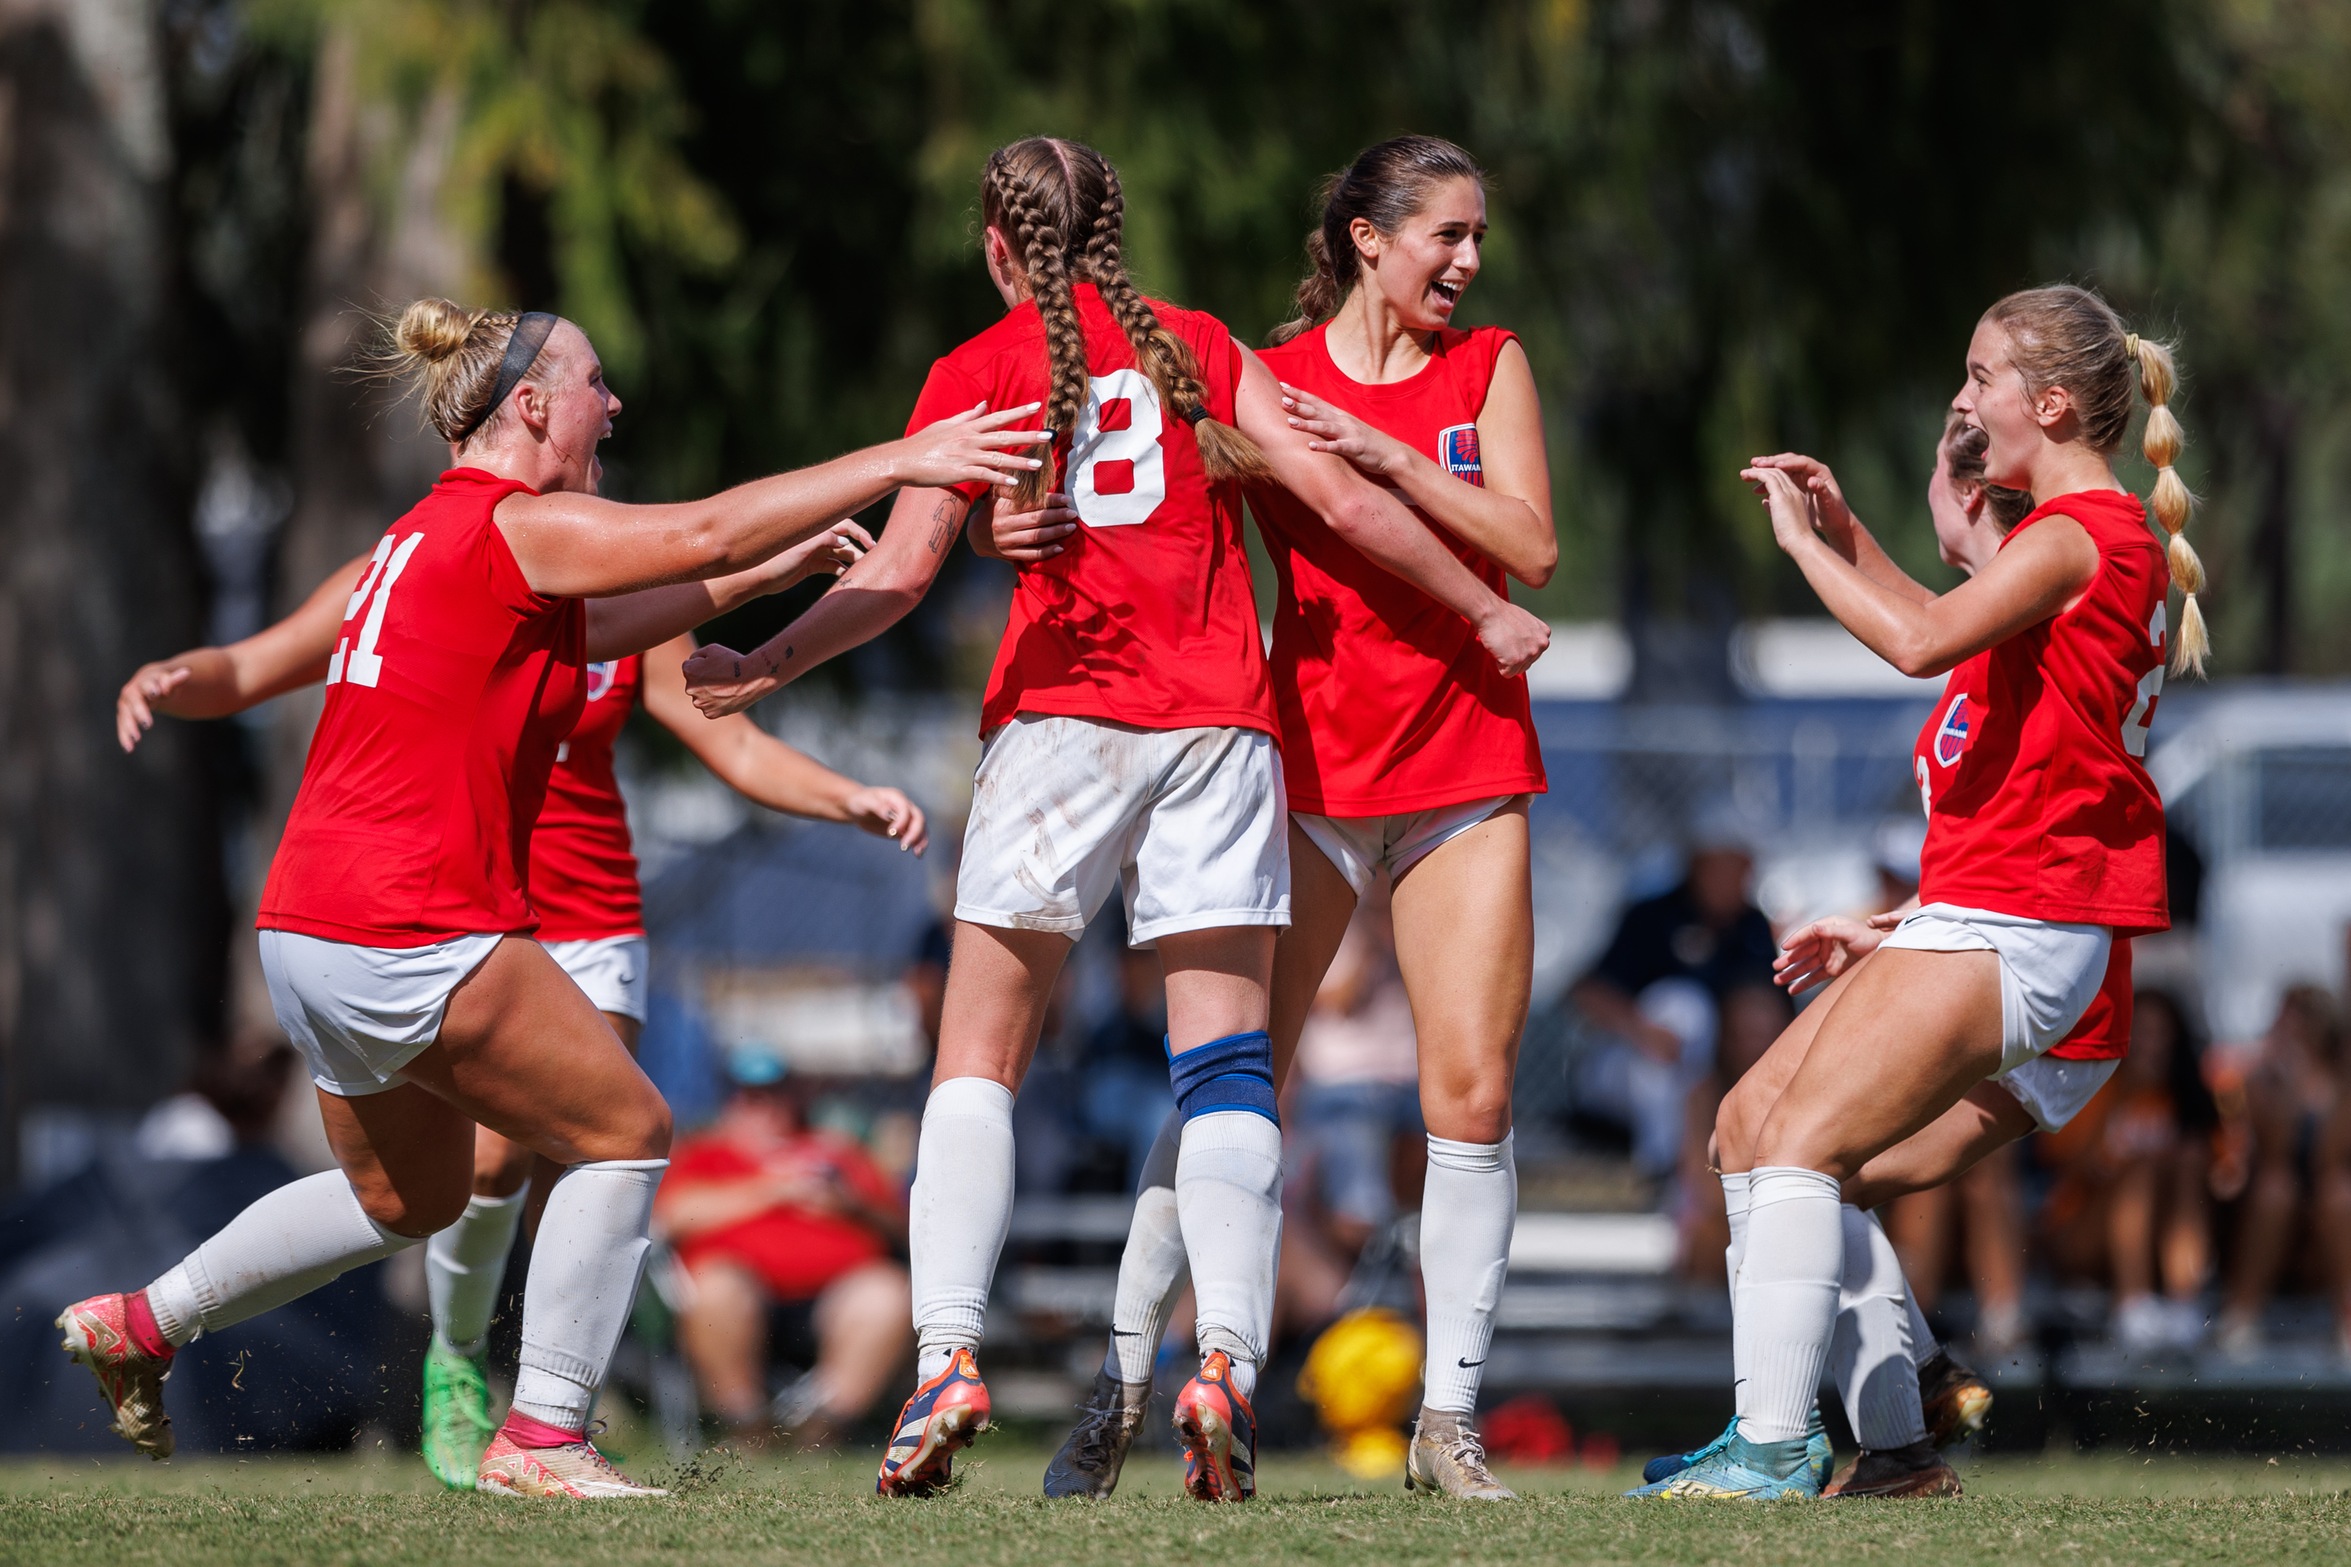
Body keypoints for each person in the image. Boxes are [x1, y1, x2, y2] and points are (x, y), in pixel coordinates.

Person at [683, 136, 1549, 1503]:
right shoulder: (1194, 342)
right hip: (1218, 729)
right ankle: (1222, 1363)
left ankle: (947, 1357)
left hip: (1059, 723)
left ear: (996, 246)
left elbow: (899, 573)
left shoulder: (979, 373)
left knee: (975, 1059)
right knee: (1224, 1068)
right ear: (1114, 233)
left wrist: (760, 663)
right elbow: (1334, 499)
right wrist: (1485, 599)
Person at [60, 298, 1042, 1497]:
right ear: (530, 405)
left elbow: (616, 620)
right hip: (409, 915)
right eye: (592, 382)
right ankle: (547, 1435)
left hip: (306, 928)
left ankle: (143, 1323)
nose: (611, 402)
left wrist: (763, 575)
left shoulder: (425, 537)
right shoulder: (513, 523)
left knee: (406, 1198)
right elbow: (705, 525)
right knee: (627, 1132)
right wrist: (909, 456)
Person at [991, 136, 1556, 1501]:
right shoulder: (1253, 370)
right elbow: (1148, 513)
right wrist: (1002, 526)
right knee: (1230, 1080)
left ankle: (1446, 1419)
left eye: (1475, 235)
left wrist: (1384, 453)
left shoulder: (1488, 367)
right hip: (1295, 773)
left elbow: (1530, 547)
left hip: (1463, 761)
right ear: (1366, 237)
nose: (1468, 262)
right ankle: (1123, 1380)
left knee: (1468, 1094)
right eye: (1445, 235)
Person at [117, 545, 932, 1489]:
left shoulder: (635, 592)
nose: (605, 429)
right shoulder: (423, 566)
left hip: (596, 924)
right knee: (495, 1158)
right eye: (593, 394)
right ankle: (461, 1363)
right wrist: (177, 677)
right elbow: (257, 664)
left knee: (596, 1159)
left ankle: (558, 1418)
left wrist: (849, 799)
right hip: (467, 916)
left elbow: (731, 739)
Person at [1637, 285, 2198, 1501]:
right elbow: (1939, 613)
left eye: (1979, 375)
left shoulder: (2076, 531)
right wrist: (1849, 535)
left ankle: (1774, 1443)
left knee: (1797, 1146)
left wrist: (1802, 547)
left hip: (2025, 924)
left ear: (2048, 403)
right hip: (1995, 911)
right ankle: (1891, 1446)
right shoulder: (2075, 539)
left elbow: (1914, 642)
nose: (1961, 398)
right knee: (1749, 1129)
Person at [656, 1046, 911, 1446]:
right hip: (740, 1296)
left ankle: (825, 1429)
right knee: (715, 1287)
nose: (765, 1107)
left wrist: (850, 1204)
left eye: (775, 1093)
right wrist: (772, 1188)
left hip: (836, 1297)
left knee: (889, 1291)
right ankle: (748, 1427)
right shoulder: (703, 1152)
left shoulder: (837, 1151)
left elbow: (900, 1226)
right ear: (732, 1098)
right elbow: (672, 1216)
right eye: (752, 1095)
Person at [1570, 823, 1779, 1178]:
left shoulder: (1752, 925)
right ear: (1697, 864)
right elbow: (1588, 991)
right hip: (1625, 1065)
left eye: (1742, 866)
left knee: (1749, 1023)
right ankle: (1664, 1170)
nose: (1735, 876)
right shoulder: (1652, 917)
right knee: (1681, 1009)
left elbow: (1762, 1004)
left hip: (1708, 1071)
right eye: (1723, 865)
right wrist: (1640, 1030)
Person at [2039, 988, 2216, 1352]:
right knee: (2141, 1171)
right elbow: (2070, 1166)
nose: (2152, 1044)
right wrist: (2123, 1095)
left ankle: (2183, 1302)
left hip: (2159, 1238)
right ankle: (2132, 1303)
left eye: (2161, 1033)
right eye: (2143, 1032)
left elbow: (2219, 1178)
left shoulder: (2188, 1099)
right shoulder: (2093, 1088)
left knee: (2185, 1161)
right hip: (2081, 1233)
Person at [2215, 984, 2351, 1356]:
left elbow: (2330, 1158)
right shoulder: (2256, 1082)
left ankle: (2348, 1323)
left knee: (2338, 1191)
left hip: (2325, 1238)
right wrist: (2289, 1088)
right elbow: (2276, 1152)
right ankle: (2240, 1317)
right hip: (2263, 1230)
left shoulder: (2343, 1082)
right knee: (2278, 1188)